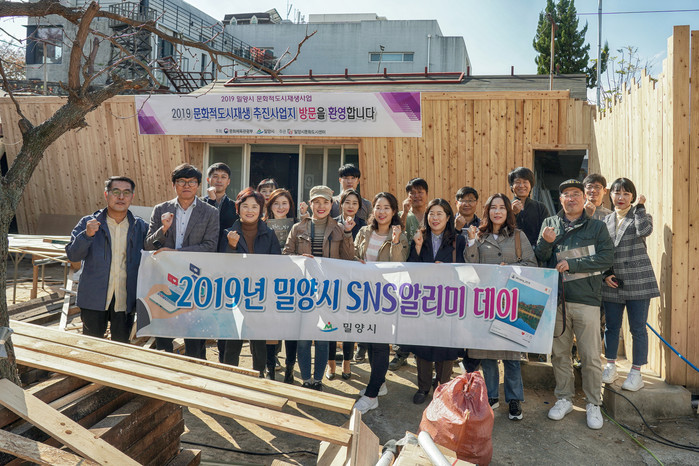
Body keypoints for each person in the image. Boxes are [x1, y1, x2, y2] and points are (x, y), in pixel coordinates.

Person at [535, 179, 614, 430]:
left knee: (590, 356)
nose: (571, 198)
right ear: (560, 200)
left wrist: (573, 265)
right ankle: (564, 399)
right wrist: (546, 242)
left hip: (587, 300)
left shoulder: (597, 227)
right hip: (557, 300)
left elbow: (606, 258)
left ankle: (593, 403)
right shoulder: (550, 223)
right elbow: (540, 257)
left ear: (584, 198)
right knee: (560, 354)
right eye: (566, 194)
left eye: (576, 194)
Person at [464, 193, 536, 420]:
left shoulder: (518, 236)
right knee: (488, 355)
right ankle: (492, 396)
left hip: (511, 303)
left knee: (511, 356)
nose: (497, 212)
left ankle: (514, 400)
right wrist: (471, 242)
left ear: (508, 211)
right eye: (493, 208)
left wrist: (510, 268)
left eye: (502, 208)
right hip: (485, 303)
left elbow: (532, 264)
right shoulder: (479, 235)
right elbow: (470, 266)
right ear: (487, 211)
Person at [282, 185, 354, 390]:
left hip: (329, 293)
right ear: (310, 204)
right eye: (317, 202)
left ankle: (318, 380)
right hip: (303, 292)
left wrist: (348, 234)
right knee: (304, 339)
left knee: (323, 339)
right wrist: (299, 259)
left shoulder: (339, 228)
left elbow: (348, 259)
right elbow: (286, 255)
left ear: (332, 204)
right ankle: (306, 379)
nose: (321, 206)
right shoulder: (298, 228)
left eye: (325, 202)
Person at [144, 163, 219, 358]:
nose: (187, 185)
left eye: (191, 182)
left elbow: (210, 246)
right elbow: (149, 245)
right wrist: (164, 229)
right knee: (163, 335)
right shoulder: (161, 209)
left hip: (194, 280)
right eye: (181, 181)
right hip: (163, 281)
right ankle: (165, 371)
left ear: (198, 185)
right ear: (174, 185)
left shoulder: (210, 212)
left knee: (194, 336)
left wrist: (176, 253)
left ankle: (196, 370)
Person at [66, 176, 147, 343]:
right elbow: (73, 255)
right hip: (94, 297)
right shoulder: (88, 223)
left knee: (121, 348)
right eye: (116, 192)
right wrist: (87, 235)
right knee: (92, 346)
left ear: (132, 197)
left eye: (126, 192)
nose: (121, 197)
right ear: (106, 194)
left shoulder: (140, 227)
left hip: (125, 299)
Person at [352, 192, 409, 413]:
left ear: (394, 211)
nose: (381, 212)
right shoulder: (364, 232)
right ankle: (380, 383)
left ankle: (372, 394)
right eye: (378, 207)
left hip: (386, 298)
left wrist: (395, 242)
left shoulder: (400, 236)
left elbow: (399, 264)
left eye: (386, 208)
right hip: (363, 295)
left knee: (380, 344)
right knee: (368, 340)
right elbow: (353, 256)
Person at [601, 178, 659, 391]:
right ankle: (610, 365)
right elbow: (602, 250)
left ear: (633, 197)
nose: (621, 197)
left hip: (638, 281)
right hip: (613, 281)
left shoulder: (641, 216)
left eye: (626, 194)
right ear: (611, 195)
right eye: (617, 193)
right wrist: (605, 274)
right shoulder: (606, 220)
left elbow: (644, 231)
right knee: (611, 327)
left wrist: (641, 208)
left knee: (638, 328)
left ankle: (636, 372)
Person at [407, 198, 465, 405]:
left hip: (448, 300)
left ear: (448, 217)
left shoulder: (458, 240)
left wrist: (448, 271)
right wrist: (417, 247)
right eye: (431, 213)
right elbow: (411, 269)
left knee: (446, 347)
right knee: (423, 345)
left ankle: (442, 388)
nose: (435, 218)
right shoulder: (419, 237)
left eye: (440, 213)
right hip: (424, 299)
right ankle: (423, 387)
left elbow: (466, 270)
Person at [219, 188, 282, 377]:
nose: (250, 210)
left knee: (259, 341)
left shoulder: (269, 234)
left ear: (261, 210)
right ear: (238, 209)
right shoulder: (228, 233)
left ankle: (259, 376)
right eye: (245, 206)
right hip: (235, 294)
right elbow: (220, 265)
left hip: (260, 294)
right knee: (233, 340)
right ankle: (230, 378)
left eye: (255, 206)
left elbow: (277, 263)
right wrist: (231, 247)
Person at [263, 187, 305, 383]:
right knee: (271, 327)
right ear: (270, 206)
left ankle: (290, 368)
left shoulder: (299, 226)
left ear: (290, 206)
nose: (280, 207)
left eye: (284, 203)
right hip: (269, 284)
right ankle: (270, 366)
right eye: (276, 203)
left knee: (291, 328)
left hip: (293, 284)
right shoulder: (262, 225)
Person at [327, 189, 367, 381]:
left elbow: (361, 252)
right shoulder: (331, 222)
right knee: (330, 322)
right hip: (332, 279)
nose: (351, 206)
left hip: (354, 280)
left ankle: (347, 361)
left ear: (359, 207)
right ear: (340, 204)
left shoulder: (364, 226)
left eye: (355, 203)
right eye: (347, 202)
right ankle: (331, 363)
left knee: (349, 322)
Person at [391, 177, 429, 370]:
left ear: (426, 194)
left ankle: (424, 354)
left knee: (426, 313)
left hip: (428, 270)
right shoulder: (402, 214)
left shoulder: (433, 213)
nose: (416, 196)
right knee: (404, 312)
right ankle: (401, 353)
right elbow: (398, 233)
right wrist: (405, 212)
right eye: (412, 192)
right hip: (406, 269)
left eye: (420, 192)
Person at [508, 167, 550, 246]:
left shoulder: (540, 208)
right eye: (517, 182)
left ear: (531, 185)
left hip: (534, 251)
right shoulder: (505, 207)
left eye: (525, 182)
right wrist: (512, 214)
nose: (521, 185)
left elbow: (546, 232)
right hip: (510, 250)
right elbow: (501, 231)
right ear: (511, 186)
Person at [203, 162, 238, 251]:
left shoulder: (235, 207)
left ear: (228, 181)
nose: (219, 180)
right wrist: (211, 201)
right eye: (215, 176)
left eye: (223, 177)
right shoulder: (198, 203)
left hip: (226, 253)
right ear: (208, 180)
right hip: (202, 252)